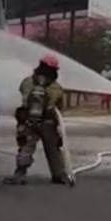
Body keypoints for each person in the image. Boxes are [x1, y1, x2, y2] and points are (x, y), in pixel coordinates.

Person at [4, 54, 72, 186]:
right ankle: (58, 175)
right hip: (48, 123)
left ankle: (20, 173)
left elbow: (22, 94)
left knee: (26, 146)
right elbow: (59, 107)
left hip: (28, 121)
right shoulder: (56, 87)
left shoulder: (27, 82)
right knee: (53, 149)